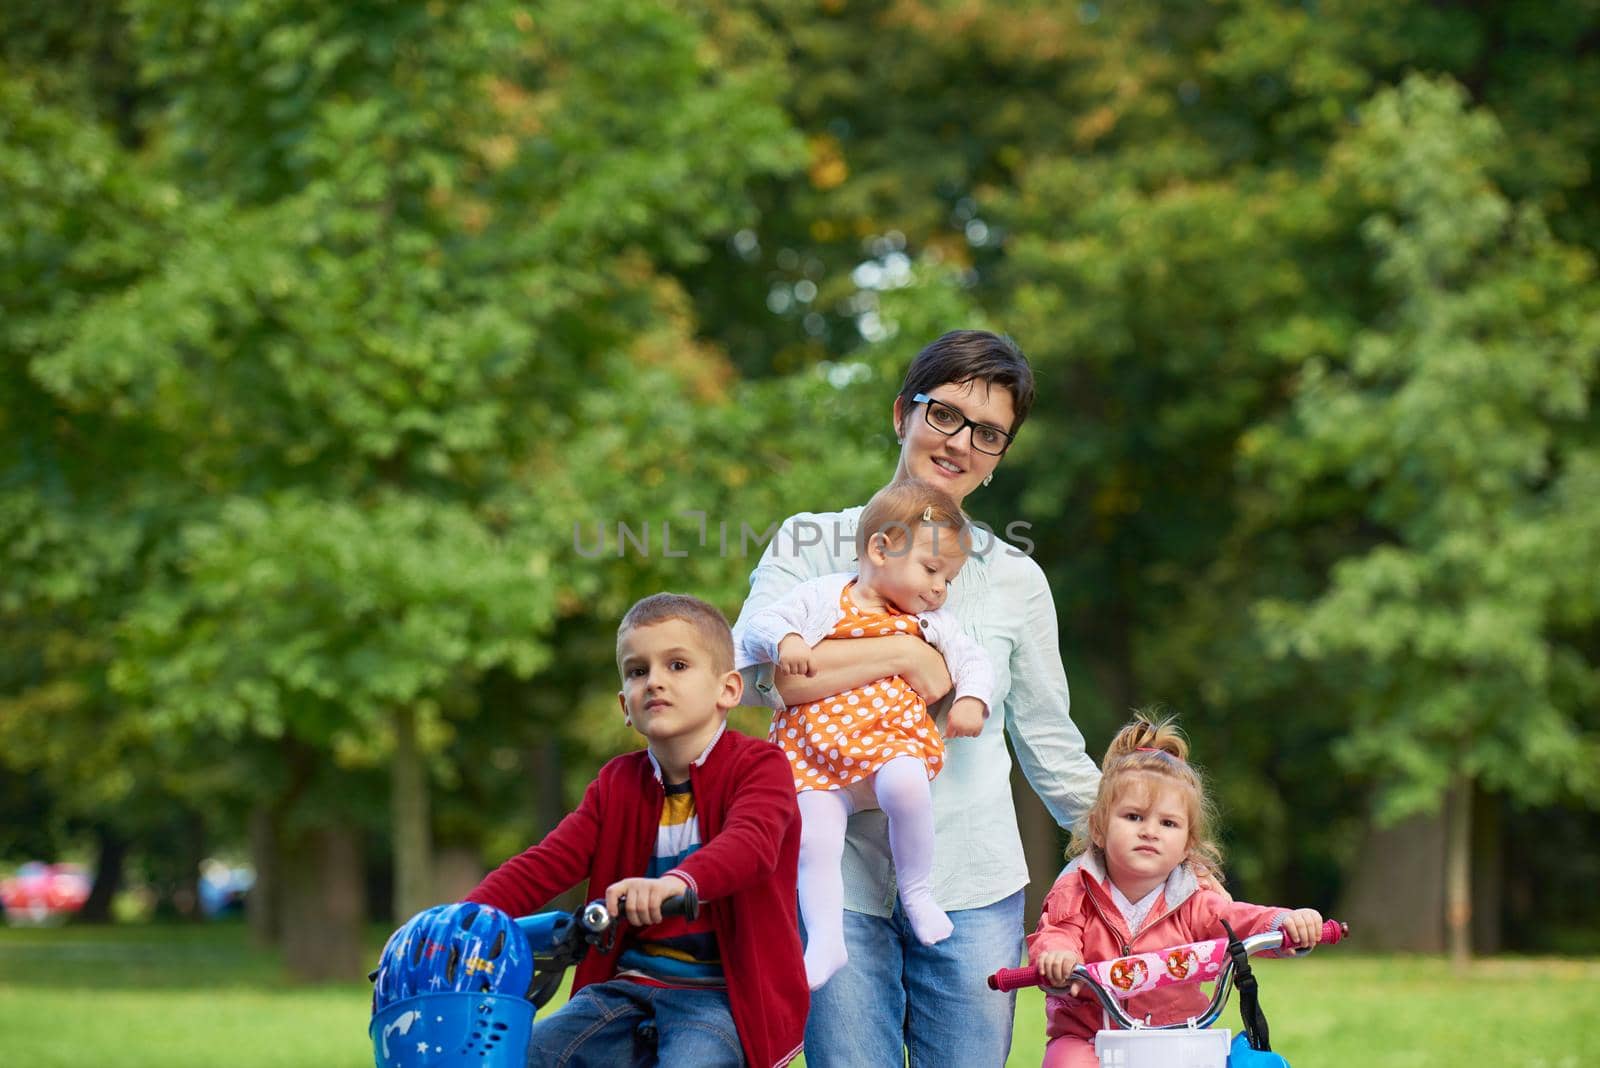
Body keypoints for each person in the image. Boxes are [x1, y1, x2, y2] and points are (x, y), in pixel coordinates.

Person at [731, 329, 1101, 1066]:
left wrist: (1137, 855)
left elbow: (1049, 743)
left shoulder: (1015, 581)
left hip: (974, 884)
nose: (961, 442)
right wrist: (906, 653)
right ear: (903, 413)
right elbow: (759, 675)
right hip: (836, 882)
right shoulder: (810, 543)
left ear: (1000, 458)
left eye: (989, 433)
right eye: (946, 415)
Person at [465, 593, 807, 1068]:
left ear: (727, 689)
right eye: (637, 671)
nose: (655, 682)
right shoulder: (615, 784)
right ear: (625, 704)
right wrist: (459, 922)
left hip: (722, 995)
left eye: (678, 665)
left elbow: (750, 845)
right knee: (525, 1055)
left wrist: (677, 883)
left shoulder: (760, 767)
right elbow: (544, 864)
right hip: (626, 985)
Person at [735, 477, 994, 989]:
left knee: (905, 784)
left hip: (888, 744)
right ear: (880, 548)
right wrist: (785, 637)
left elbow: (972, 660)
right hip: (814, 755)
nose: (940, 588)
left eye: (949, 578)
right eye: (931, 569)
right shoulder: (824, 596)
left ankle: (918, 892)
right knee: (814, 839)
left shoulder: (932, 623)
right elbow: (757, 627)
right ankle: (826, 941)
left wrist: (971, 699)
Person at [1027, 714, 1324, 1068]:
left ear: (1187, 845)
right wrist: (1059, 958)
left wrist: (1286, 924)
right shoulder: (1076, 891)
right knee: (1068, 1064)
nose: (1150, 831)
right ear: (1099, 828)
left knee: (1254, 1063)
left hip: (1179, 1036)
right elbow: (1058, 933)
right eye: (1134, 817)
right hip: (1091, 1037)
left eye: (1168, 823)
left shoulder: (1195, 900)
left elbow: (1239, 921)